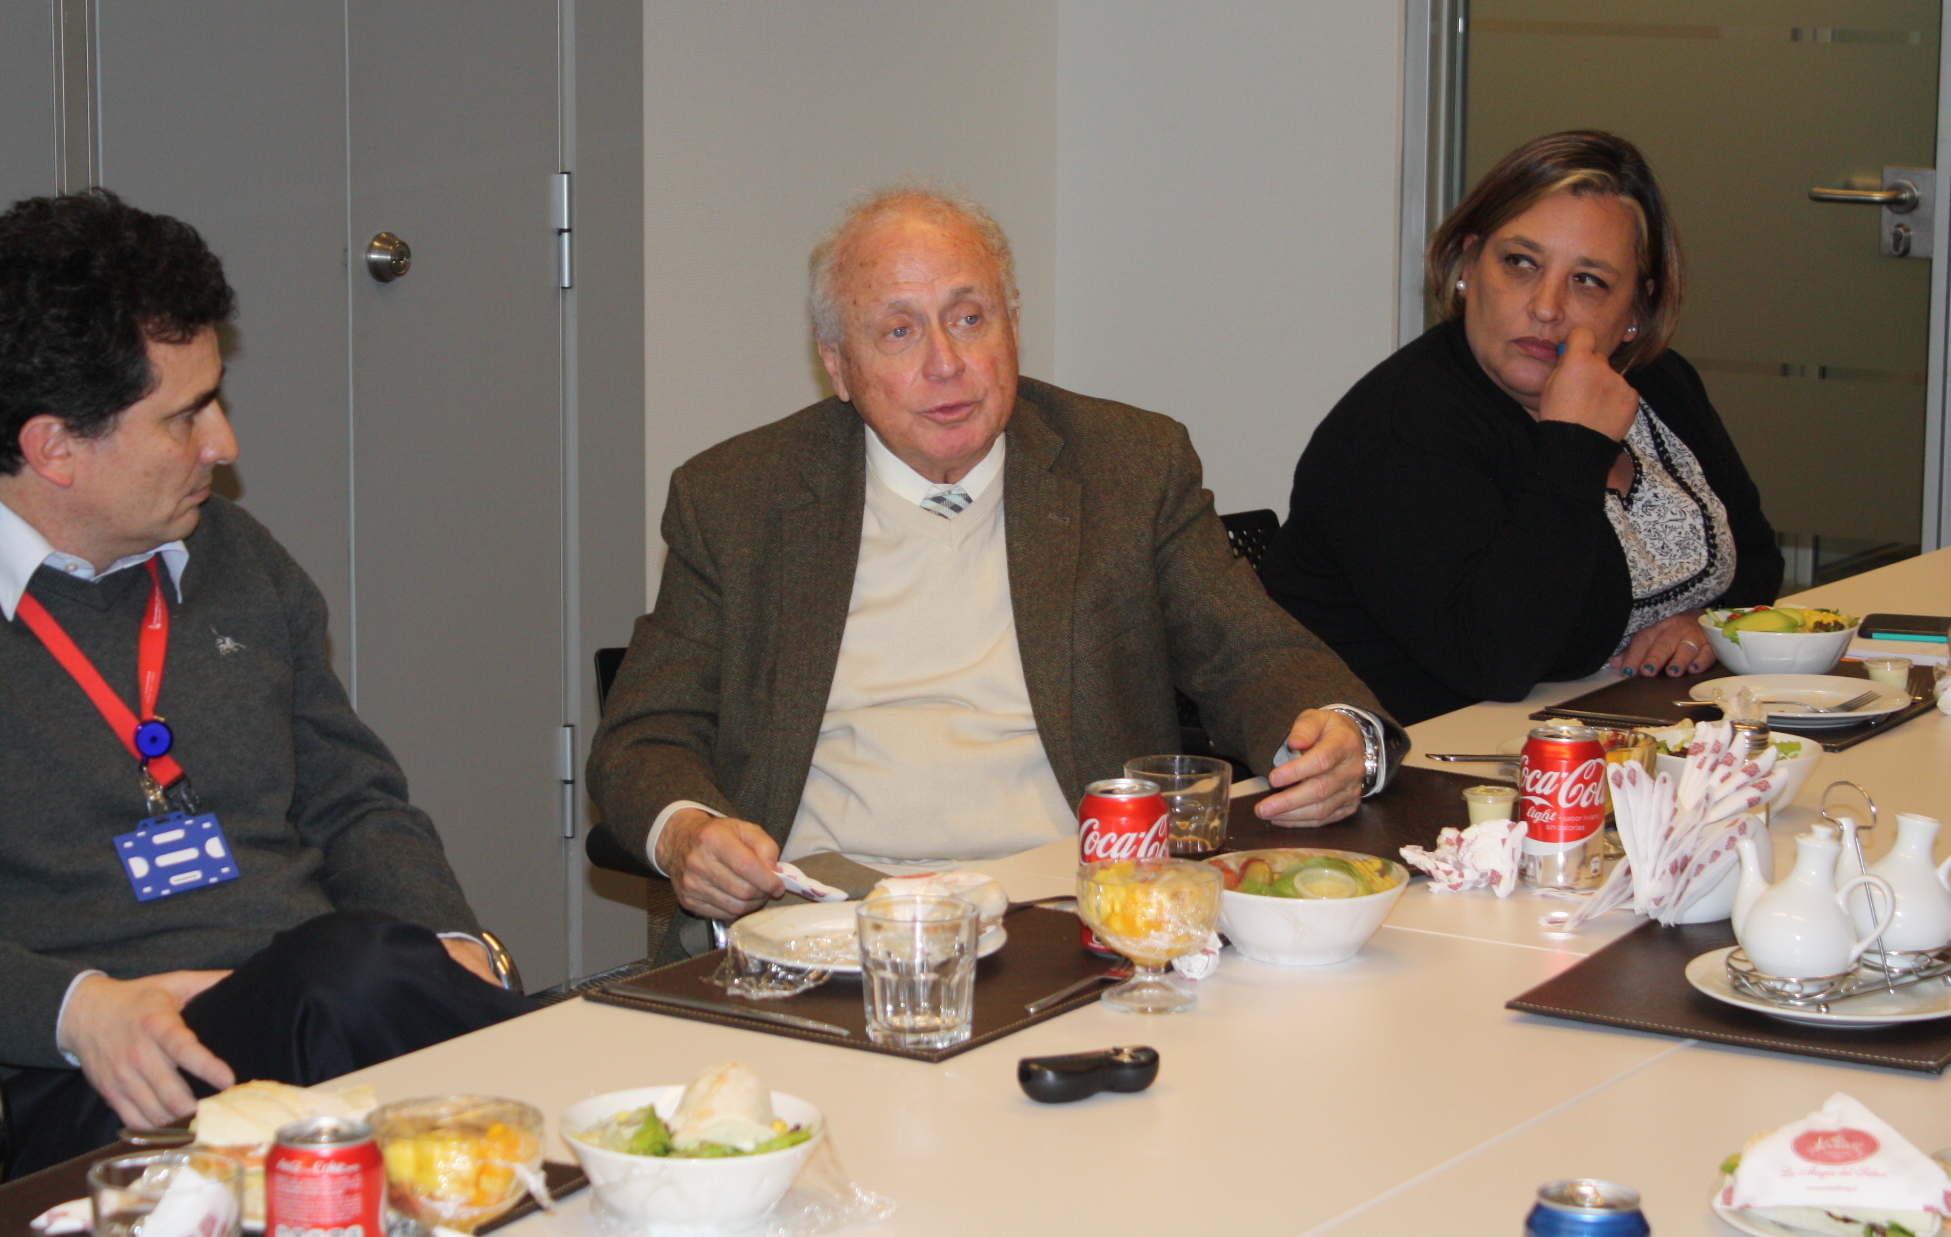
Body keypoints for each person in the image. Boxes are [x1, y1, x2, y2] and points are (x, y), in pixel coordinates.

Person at [0, 191, 529, 1176]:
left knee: (364, 979)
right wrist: (76, 1008)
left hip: (327, 1019)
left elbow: (354, 801)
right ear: (53, 448)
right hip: (103, 1080)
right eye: (184, 416)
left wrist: (448, 940)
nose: (224, 443)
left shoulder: (236, 556)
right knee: (366, 983)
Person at [587, 188, 1408, 947]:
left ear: (1013, 324)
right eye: (900, 331)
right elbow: (643, 737)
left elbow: (1252, 651)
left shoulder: (1128, 465)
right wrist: (688, 833)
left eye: (969, 317)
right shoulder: (737, 498)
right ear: (837, 365)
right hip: (826, 924)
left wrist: (1338, 737)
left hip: (1072, 911)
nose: (945, 362)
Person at [1262, 130, 1782, 725]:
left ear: (1635, 311)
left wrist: (1705, 625)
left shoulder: (1659, 384)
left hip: (1620, 729)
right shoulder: (1398, 427)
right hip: (1420, 754)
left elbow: (1756, 557)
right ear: (1468, 265)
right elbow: (1497, 660)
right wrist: (1575, 448)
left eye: (1589, 280)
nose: (1546, 306)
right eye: (1521, 263)